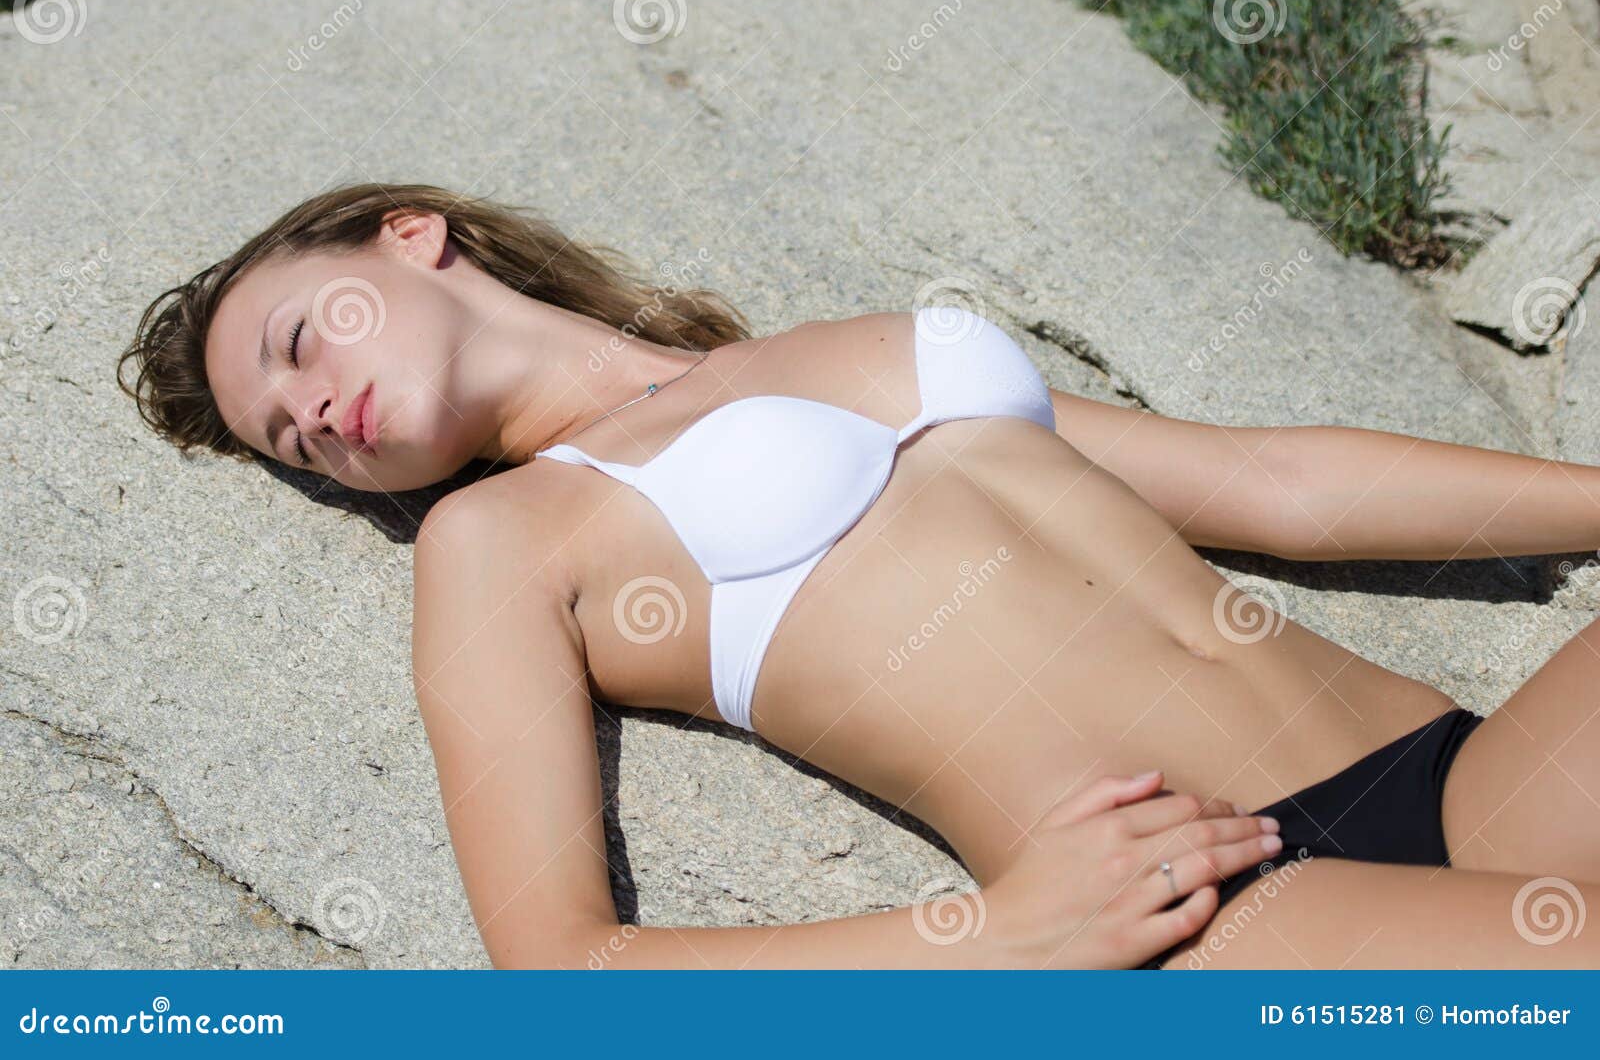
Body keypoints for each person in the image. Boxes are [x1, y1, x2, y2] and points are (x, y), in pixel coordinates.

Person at [118, 183, 1600, 968]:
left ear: (410, 236)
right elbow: (565, 968)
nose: (313, 414)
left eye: (302, 340)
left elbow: (1272, 484)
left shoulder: (826, 350)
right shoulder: (506, 542)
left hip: (1456, 776)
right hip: (1223, 906)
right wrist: (998, 942)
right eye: (289, 442)